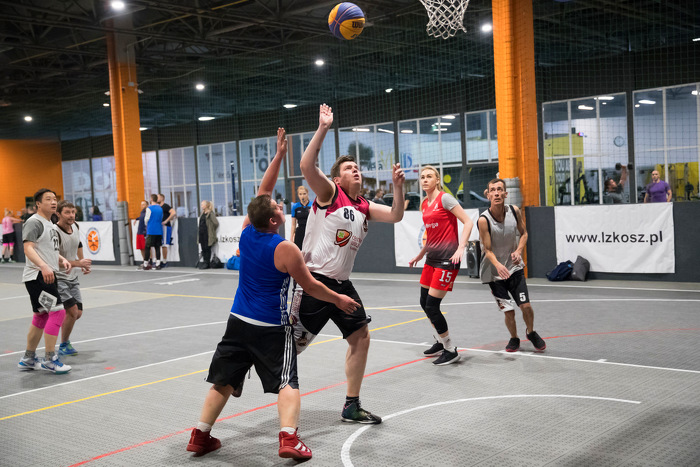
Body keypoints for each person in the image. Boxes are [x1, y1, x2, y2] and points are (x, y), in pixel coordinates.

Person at [187, 127, 360, 461]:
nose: (281, 205)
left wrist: (279, 155)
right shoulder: (285, 249)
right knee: (287, 382)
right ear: (273, 219)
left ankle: (200, 435)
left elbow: (262, 192)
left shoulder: (247, 233)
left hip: (237, 322)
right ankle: (289, 438)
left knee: (223, 381)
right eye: (278, 206)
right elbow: (311, 286)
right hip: (271, 327)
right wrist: (339, 299)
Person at [292, 104, 405, 424]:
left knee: (361, 336)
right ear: (337, 178)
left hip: (342, 285)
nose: (355, 170)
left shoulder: (364, 206)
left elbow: (396, 215)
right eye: (348, 168)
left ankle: (351, 405)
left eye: (357, 167)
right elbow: (306, 165)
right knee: (290, 348)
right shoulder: (330, 193)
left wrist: (398, 187)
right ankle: (241, 366)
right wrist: (323, 128)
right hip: (314, 283)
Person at [408, 166, 474, 365]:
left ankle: (450, 349)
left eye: (429, 176)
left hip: (447, 260)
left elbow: (468, 222)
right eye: (422, 177)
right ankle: (439, 339)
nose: (425, 180)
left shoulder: (445, 199)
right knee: (423, 302)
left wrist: (461, 247)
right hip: (432, 259)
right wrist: (420, 255)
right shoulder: (424, 204)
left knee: (432, 305)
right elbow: (431, 235)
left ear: (437, 180)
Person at [477, 178, 546, 353]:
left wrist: (519, 250)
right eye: (493, 190)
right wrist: (498, 265)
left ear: (506, 193)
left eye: (500, 189)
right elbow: (487, 249)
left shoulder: (514, 211)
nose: (496, 193)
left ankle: (531, 332)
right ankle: (514, 338)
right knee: (509, 311)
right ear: (488, 195)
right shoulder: (484, 220)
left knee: (526, 306)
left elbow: (524, 234)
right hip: (495, 273)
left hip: (514, 268)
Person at [17, 188, 73, 374]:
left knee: (41, 316)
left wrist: (61, 259)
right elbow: (28, 248)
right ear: (38, 204)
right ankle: (50, 359)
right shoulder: (34, 222)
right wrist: (43, 266)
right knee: (58, 312)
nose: (53, 202)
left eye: (55, 199)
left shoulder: (50, 224)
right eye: (48, 199)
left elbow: (47, 250)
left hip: (46, 274)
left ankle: (28, 358)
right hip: (38, 276)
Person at [54, 201, 92, 357]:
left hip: (72, 277)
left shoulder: (75, 226)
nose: (71, 215)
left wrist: (82, 262)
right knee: (72, 311)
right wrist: (78, 263)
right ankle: (63, 344)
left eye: (73, 212)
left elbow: (79, 243)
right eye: (67, 212)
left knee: (78, 313)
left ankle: (61, 335)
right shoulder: (54, 232)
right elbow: (53, 259)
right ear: (58, 214)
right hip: (59, 277)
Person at [142, 194, 163, 270]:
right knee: (157, 247)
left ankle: (145, 264)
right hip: (159, 230)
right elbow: (161, 218)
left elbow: (146, 219)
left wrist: (146, 224)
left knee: (147, 247)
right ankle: (158, 264)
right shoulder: (160, 208)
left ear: (151, 199)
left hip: (151, 230)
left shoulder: (149, 208)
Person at [198, 200, 219, 269]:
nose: (201, 206)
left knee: (207, 248)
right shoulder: (202, 213)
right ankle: (205, 261)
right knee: (203, 248)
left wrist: (211, 229)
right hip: (201, 233)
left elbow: (216, 223)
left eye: (202, 204)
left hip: (207, 234)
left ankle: (207, 263)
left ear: (206, 205)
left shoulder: (210, 213)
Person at [290, 185, 311, 251]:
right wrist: (291, 238)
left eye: (304, 194)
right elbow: (293, 224)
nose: (302, 196)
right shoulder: (295, 206)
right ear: (298, 195)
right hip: (300, 232)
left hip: (310, 231)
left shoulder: (312, 205)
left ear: (307, 194)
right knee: (298, 251)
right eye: (300, 194)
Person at [158, 193, 176, 267]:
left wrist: (166, 220)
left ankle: (165, 261)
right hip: (159, 227)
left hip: (165, 227)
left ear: (162, 198)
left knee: (164, 245)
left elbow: (173, 212)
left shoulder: (165, 206)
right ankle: (159, 261)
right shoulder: (157, 207)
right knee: (160, 244)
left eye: (158, 197)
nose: (157, 198)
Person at [135, 200, 148, 269]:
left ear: (147, 205)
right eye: (141, 204)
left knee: (146, 248)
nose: (142, 206)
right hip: (139, 232)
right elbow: (141, 218)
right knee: (141, 248)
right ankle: (144, 261)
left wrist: (145, 232)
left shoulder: (147, 212)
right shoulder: (142, 212)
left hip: (144, 232)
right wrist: (136, 219)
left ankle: (148, 261)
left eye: (143, 204)